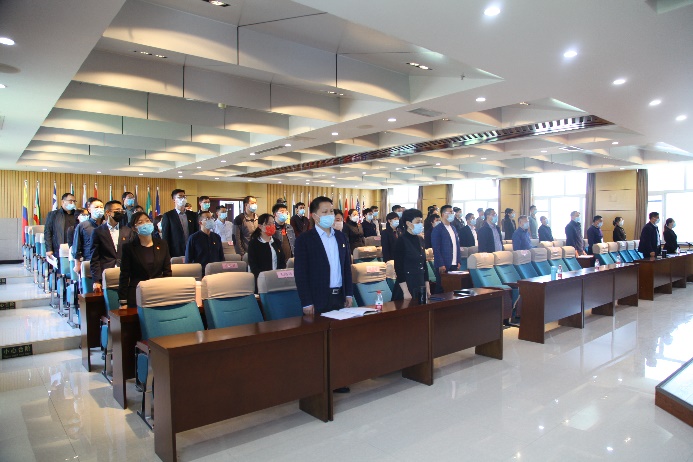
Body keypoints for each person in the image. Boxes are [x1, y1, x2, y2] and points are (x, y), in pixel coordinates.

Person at [294, 196, 353, 315]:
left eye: (331, 211)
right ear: (314, 216)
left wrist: (349, 293)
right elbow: (301, 273)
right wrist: (306, 302)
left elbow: (346, 267)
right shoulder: (304, 239)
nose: (330, 215)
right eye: (325, 212)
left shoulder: (341, 237)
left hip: (340, 297)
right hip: (317, 299)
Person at [118, 212, 172, 307]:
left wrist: (169, 292)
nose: (145, 224)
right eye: (140, 222)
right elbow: (124, 275)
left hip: (159, 292)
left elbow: (167, 271)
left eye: (147, 221)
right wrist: (123, 301)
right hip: (137, 293)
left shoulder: (162, 244)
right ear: (134, 228)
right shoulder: (129, 248)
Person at [89, 201, 133, 292]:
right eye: (117, 210)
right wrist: (96, 280)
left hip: (125, 273)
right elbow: (95, 258)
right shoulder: (98, 232)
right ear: (108, 212)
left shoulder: (127, 231)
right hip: (106, 272)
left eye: (122, 211)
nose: (121, 213)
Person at [393, 208, 430, 301]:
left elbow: (424, 265)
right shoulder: (401, 240)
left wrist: (427, 286)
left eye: (421, 221)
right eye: (418, 222)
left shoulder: (420, 239)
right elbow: (398, 268)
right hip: (407, 284)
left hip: (420, 282)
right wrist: (405, 291)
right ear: (408, 223)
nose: (420, 224)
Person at [247, 213, 286, 290]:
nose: (272, 226)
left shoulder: (276, 242)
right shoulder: (254, 243)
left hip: (277, 280)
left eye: (273, 223)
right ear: (260, 226)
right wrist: (264, 277)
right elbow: (253, 265)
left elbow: (282, 261)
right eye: (268, 224)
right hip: (262, 281)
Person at [431, 205, 461, 292]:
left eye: (452, 212)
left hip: (454, 263)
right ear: (443, 214)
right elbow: (436, 248)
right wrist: (440, 264)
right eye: (450, 212)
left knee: (453, 288)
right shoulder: (438, 229)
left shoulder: (453, 228)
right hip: (444, 264)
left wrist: (458, 260)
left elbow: (456, 245)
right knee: (442, 288)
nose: (452, 214)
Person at [161, 189, 198, 258]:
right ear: (174, 200)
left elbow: (196, 232)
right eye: (180, 197)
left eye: (184, 196)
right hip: (176, 252)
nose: (183, 199)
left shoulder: (193, 215)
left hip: (192, 250)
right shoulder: (168, 216)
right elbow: (165, 236)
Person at [72, 198, 104, 276]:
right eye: (96, 207)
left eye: (101, 207)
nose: (99, 209)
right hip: (89, 261)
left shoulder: (106, 225)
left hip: (105, 261)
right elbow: (76, 246)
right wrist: (77, 264)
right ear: (89, 210)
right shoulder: (82, 226)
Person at [44, 192, 78, 262]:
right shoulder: (53, 215)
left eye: (74, 201)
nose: (73, 203)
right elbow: (48, 232)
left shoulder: (77, 214)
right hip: (58, 248)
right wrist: (49, 249)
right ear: (63, 202)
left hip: (75, 248)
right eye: (70, 201)